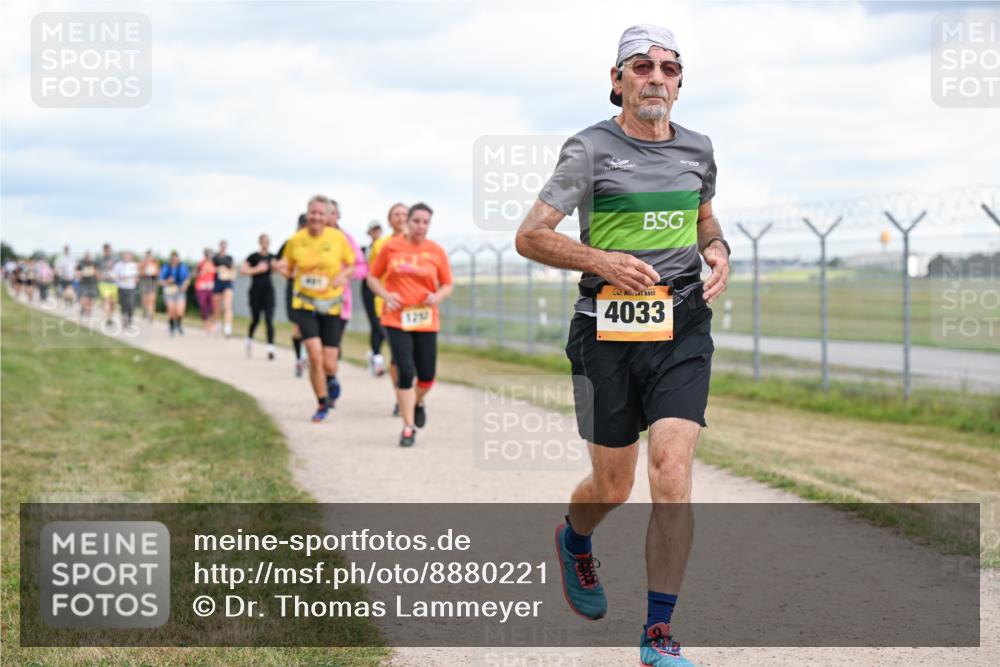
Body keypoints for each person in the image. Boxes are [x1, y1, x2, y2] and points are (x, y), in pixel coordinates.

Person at [513, 25, 730, 667]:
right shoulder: (589, 148)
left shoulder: (699, 148)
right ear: (617, 80)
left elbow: (705, 216)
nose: (656, 77)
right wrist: (602, 259)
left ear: (680, 82)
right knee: (614, 485)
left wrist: (717, 248)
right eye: (642, 67)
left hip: (682, 326)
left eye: (668, 67)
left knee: (672, 470)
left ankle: (658, 633)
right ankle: (574, 539)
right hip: (605, 332)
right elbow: (530, 236)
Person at [367, 202, 453, 448]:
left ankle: (417, 401)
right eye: (416, 221)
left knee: (427, 376)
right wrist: (385, 295)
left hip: (426, 319)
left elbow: (447, 284)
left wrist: (438, 296)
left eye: (425, 222)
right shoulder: (391, 247)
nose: (420, 226)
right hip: (396, 318)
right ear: (408, 222)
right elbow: (372, 276)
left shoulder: (436, 251)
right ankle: (408, 426)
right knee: (405, 370)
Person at [276, 195, 355, 422]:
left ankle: (331, 379)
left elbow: (351, 265)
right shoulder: (295, 240)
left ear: (327, 216)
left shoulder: (338, 239)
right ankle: (322, 403)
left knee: (330, 362)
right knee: (314, 354)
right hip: (304, 303)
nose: (317, 217)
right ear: (307, 214)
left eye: (321, 213)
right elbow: (288, 268)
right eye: (313, 213)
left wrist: (342, 275)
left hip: (330, 304)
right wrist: (282, 268)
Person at [369, 202, 408, 413]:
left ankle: (411, 393)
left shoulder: (421, 243)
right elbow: (373, 275)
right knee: (397, 354)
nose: (401, 218)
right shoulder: (380, 245)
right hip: (388, 305)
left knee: (416, 355)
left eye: (404, 214)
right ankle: (400, 395)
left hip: (414, 308)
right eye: (397, 214)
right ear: (389, 219)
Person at [326, 199, 369, 386]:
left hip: (339, 302)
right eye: (324, 212)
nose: (328, 217)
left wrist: (346, 276)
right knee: (316, 348)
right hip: (311, 301)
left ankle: (330, 379)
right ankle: (325, 380)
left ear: (338, 215)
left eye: (332, 212)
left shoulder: (347, 239)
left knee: (333, 345)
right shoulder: (307, 238)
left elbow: (362, 268)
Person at [277, 214, 308, 377]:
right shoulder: (291, 243)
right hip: (294, 288)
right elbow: (278, 264)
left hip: (312, 290)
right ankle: (300, 358)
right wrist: (289, 274)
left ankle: (308, 355)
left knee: (310, 326)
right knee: (297, 326)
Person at [241, 233, 277, 360]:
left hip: (268, 292)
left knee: (269, 319)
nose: (266, 243)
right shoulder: (253, 257)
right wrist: (257, 269)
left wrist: (276, 266)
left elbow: (280, 268)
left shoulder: (272, 257)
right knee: (255, 319)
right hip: (255, 291)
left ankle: (270, 347)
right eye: (264, 241)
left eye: (268, 241)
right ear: (260, 242)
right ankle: (249, 340)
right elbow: (243, 270)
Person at [360, 220, 387, 377]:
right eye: (373, 230)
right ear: (369, 233)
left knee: (382, 321)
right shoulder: (364, 250)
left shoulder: (386, 246)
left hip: (383, 286)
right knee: (374, 321)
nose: (376, 233)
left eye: (378, 230)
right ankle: (377, 357)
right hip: (368, 286)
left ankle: (375, 354)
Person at [159, 251, 192, 336]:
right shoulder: (166, 267)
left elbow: (188, 278)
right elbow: (160, 282)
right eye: (173, 259)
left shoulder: (182, 267)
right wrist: (167, 281)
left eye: (176, 259)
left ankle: (179, 324)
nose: (174, 261)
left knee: (180, 311)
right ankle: (172, 325)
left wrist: (185, 285)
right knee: (171, 309)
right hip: (169, 290)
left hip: (179, 290)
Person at [212, 240, 236, 337]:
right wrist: (217, 269)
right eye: (222, 246)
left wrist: (227, 272)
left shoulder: (229, 258)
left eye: (225, 246)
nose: (223, 248)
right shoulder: (215, 258)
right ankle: (218, 322)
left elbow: (233, 270)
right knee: (217, 307)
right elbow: (209, 269)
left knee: (227, 306)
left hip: (227, 283)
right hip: (217, 283)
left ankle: (227, 327)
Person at [113, 250, 139, 327]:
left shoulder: (134, 265)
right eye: (125, 256)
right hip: (121, 287)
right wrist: (119, 278)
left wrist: (136, 279)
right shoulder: (118, 265)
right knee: (123, 304)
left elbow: (137, 275)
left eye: (128, 256)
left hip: (131, 287)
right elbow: (114, 275)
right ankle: (124, 318)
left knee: (130, 304)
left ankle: (130, 318)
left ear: (131, 257)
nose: (126, 257)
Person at [97, 243, 118, 326]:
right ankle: (108, 318)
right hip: (104, 283)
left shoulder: (116, 259)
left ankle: (110, 316)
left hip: (113, 283)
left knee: (113, 302)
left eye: (109, 249)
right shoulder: (100, 259)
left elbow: (119, 269)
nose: (107, 251)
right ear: (104, 250)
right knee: (106, 299)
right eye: (106, 250)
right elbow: (96, 269)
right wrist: (99, 276)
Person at [138, 250, 160, 321]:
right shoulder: (142, 263)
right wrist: (145, 271)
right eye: (148, 256)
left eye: (150, 255)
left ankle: (151, 315)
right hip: (144, 281)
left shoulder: (155, 262)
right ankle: (145, 311)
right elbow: (140, 272)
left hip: (153, 281)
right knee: (145, 299)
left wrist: (153, 273)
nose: (149, 257)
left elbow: (158, 272)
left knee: (152, 299)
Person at [76, 251, 99, 318]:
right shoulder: (81, 263)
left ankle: (88, 310)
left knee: (91, 299)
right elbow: (78, 273)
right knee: (84, 298)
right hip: (84, 283)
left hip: (92, 283)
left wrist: (94, 271)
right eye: (87, 256)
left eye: (89, 257)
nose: (88, 258)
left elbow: (97, 274)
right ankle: (84, 308)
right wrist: (81, 275)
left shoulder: (94, 264)